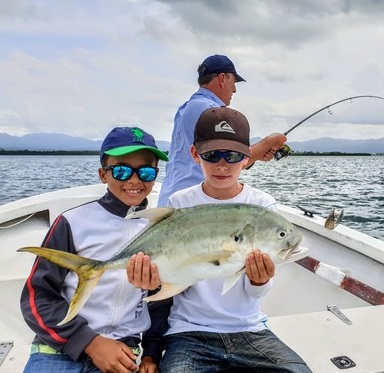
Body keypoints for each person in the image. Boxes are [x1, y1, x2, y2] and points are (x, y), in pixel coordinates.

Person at [132, 107, 312, 373]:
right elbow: (173, 274)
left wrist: (259, 280)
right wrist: (150, 282)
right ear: (195, 154)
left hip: (249, 329)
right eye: (212, 155)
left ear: (247, 157)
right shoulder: (181, 203)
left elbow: (256, 293)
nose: (223, 164)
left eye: (233, 155)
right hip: (189, 332)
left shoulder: (261, 205)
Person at [20, 126, 168, 373]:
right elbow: (37, 297)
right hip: (56, 350)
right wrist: (89, 341)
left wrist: (151, 354)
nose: (134, 180)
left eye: (145, 171)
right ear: (103, 174)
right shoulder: (72, 222)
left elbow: (161, 303)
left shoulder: (163, 228)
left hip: (122, 355)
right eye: (121, 171)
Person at [158, 53, 287, 206]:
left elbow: (220, 157)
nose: (234, 90)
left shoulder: (186, 108)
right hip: (194, 204)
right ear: (222, 78)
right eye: (234, 81)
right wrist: (271, 142)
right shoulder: (211, 112)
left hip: (169, 198)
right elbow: (228, 158)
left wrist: (256, 155)